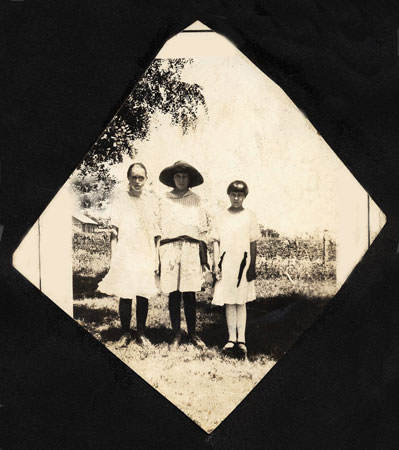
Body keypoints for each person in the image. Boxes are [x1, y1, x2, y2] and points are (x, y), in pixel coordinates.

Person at [97, 163, 160, 347]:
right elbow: (114, 233)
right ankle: (125, 333)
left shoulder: (151, 202)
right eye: (134, 177)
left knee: (142, 293)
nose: (138, 181)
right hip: (126, 252)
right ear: (128, 179)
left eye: (141, 177)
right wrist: (113, 257)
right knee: (125, 293)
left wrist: (156, 258)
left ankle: (141, 333)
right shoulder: (121, 200)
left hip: (144, 251)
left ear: (146, 179)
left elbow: (156, 234)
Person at [158, 160, 209, 350]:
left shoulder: (196, 200)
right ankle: (176, 334)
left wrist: (205, 259)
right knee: (174, 292)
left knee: (189, 293)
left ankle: (193, 333)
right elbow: (158, 226)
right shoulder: (164, 198)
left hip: (191, 248)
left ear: (190, 179)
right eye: (177, 176)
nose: (181, 180)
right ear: (172, 179)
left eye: (184, 176)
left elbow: (203, 229)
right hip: (170, 248)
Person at [210, 180, 261, 359]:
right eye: (233, 194)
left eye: (240, 195)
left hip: (243, 263)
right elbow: (215, 240)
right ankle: (231, 339)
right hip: (226, 263)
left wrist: (252, 266)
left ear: (245, 196)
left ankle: (242, 340)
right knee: (229, 300)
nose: (236, 198)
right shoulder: (220, 216)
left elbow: (253, 242)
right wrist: (216, 263)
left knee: (241, 301)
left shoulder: (250, 216)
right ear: (229, 195)